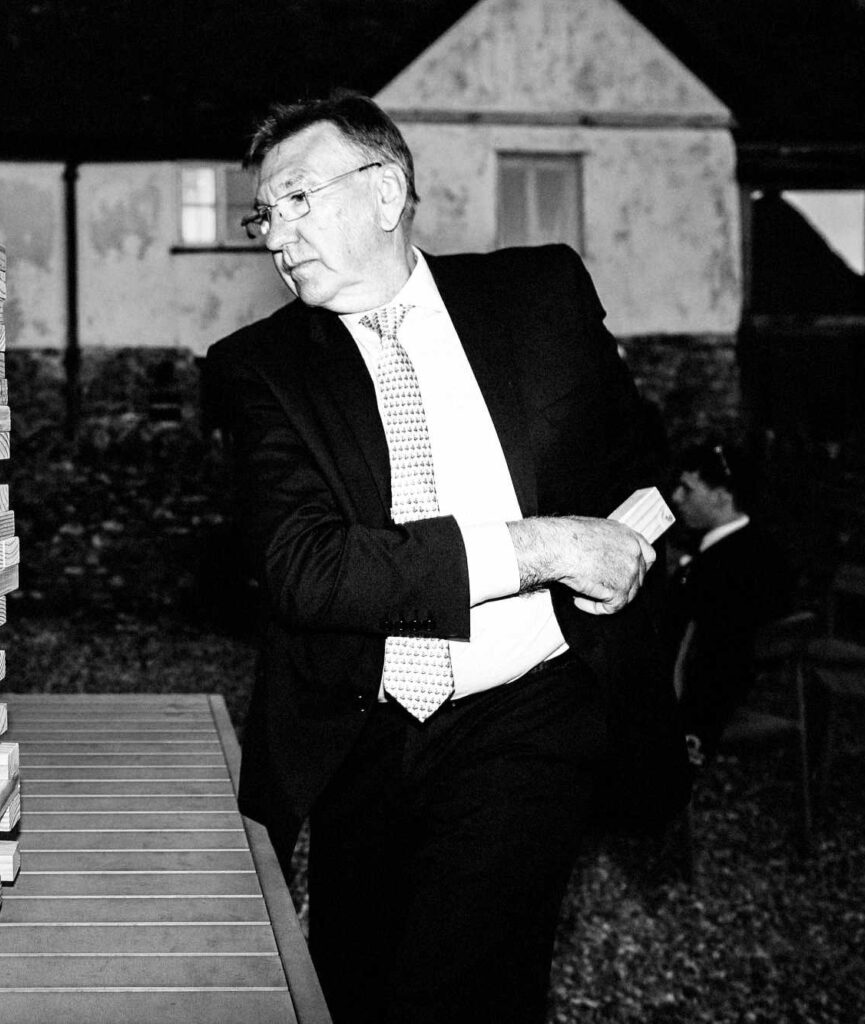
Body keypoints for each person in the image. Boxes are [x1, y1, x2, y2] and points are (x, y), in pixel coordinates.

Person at [203, 90, 689, 1024]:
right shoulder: (258, 369)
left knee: (458, 984)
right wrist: (546, 547)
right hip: (365, 727)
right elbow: (310, 570)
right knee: (352, 983)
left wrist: (626, 551)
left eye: (299, 197)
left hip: (529, 713)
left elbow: (641, 462)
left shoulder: (538, 297)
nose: (275, 233)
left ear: (385, 192)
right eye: (267, 212)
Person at [668, 442, 793, 766]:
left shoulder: (727, 566)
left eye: (687, 489)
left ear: (721, 497)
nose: (676, 498)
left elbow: (712, 650)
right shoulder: (754, 548)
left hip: (701, 701)